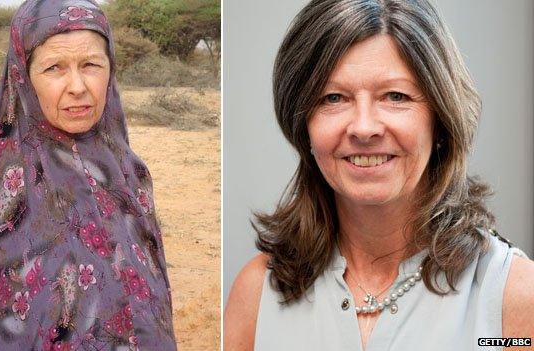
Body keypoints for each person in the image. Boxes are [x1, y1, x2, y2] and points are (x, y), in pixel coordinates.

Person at [224, 0, 534, 350]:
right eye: (333, 97)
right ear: (303, 126)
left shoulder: (515, 299)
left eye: (395, 96)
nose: (364, 127)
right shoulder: (256, 294)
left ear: (439, 118)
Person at [0, 1, 176, 350]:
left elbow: (152, 301)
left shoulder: (131, 174)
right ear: (23, 76)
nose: (77, 86)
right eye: (54, 68)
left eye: (91, 65)